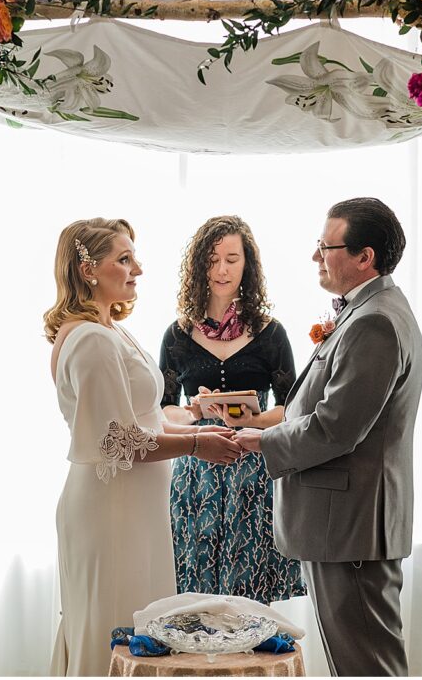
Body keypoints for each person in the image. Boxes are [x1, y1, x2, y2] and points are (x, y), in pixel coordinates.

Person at [235, 198, 422, 677]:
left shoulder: (375, 321)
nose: (316, 257)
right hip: (344, 524)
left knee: (367, 666)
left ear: (365, 257)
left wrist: (264, 440)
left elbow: (336, 426)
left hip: (352, 526)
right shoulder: (368, 311)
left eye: (326, 247)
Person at [45, 218, 241, 676]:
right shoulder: (91, 338)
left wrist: (192, 417)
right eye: (124, 258)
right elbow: (117, 441)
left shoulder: (107, 328)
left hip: (132, 509)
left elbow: (137, 418)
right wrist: (196, 444)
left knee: (140, 629)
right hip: (112, 513)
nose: (138, 268)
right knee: (116, 630)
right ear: (87, 268)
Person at [159, 216, 305, 604]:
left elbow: (292, 409)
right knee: (195, 593)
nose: (222, 269)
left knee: (251, 595)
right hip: (196, 472)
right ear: (198, 266)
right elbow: (162, 410)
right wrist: (193, 413)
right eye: (212, 259)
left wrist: (254, 419)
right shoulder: (176, 335)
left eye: (232, 258)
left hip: (254, 471)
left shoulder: (271, 333)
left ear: (247, 265)